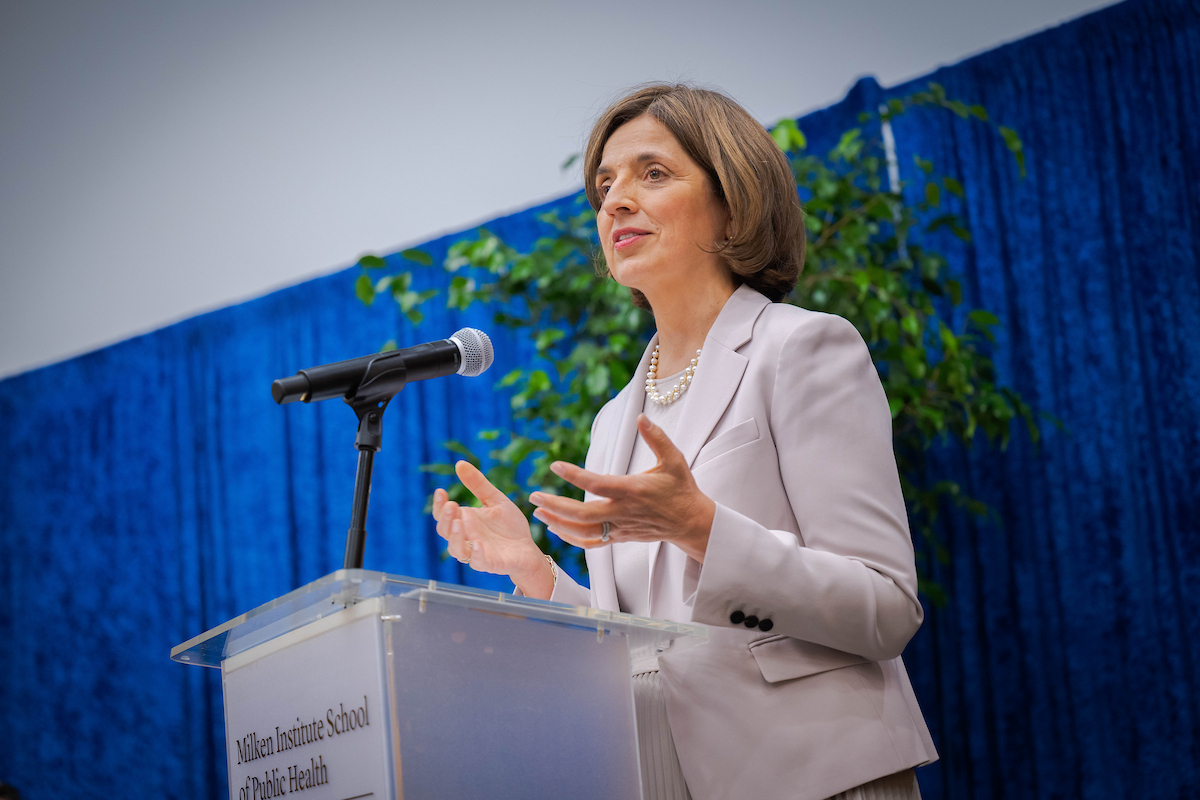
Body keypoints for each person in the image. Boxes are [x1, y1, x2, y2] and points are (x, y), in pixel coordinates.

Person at [431, 83, 937, 800]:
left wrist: (703, 528)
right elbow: (649, 644)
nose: (614, 200)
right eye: (604, 185)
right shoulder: (615, 420)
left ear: (733, 200)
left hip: (820, 775)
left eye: (653, 173)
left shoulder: (802, 349)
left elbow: (884, 608)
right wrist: (539, 575)